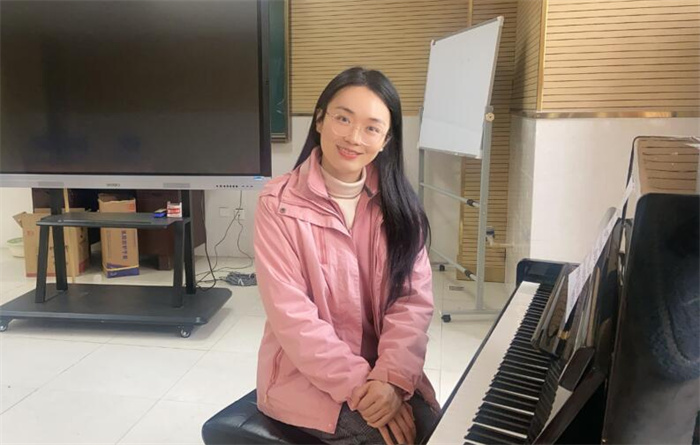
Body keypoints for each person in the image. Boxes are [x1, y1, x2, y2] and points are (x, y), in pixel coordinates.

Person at [254, 66, 440, 445]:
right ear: (320, 120)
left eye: (371, 127)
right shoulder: (277, 203)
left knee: (438, 430)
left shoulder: (400, 208)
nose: (354, 137)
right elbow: (293, 317)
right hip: (305, 378)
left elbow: (412, 304)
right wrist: (362, 388)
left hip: (384, 370)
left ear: (386, 140)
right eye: (343, 118)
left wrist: (390, 380)